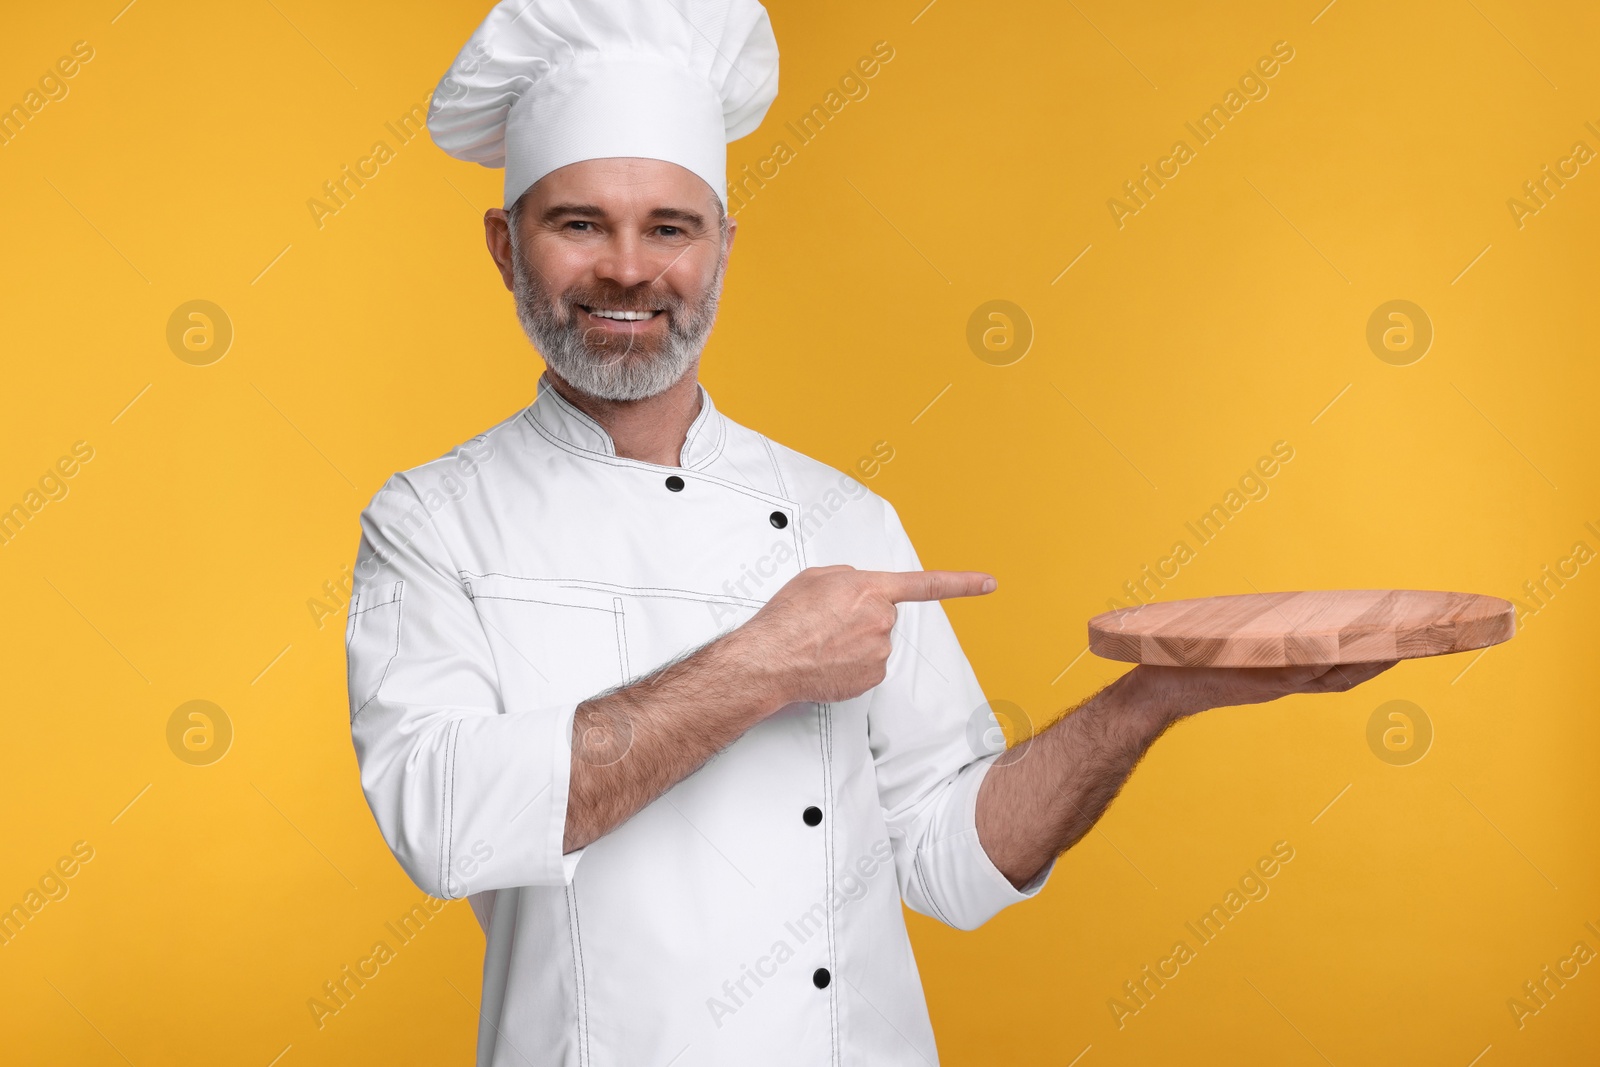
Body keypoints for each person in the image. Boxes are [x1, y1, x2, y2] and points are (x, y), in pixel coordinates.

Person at [344, 2, 1396, 1062]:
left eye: (671, 226)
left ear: (721, 248)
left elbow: (948, 853)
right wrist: (764, 660)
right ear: (502, 244)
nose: (629, 268)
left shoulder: (843, 516)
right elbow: (447, 821)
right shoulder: (431, 521)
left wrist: (1158, 693)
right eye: (579, 223)